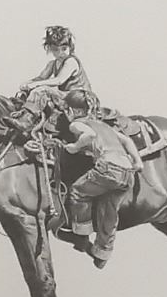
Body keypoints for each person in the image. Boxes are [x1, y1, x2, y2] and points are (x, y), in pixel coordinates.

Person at [58, 90, 143, 267]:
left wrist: (74, 147)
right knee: (109, 209)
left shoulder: (77, 124)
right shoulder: (105, 126)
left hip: (108, 169)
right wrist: (137, 161)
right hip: (127, 173)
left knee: (78, 191)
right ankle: (102, 253)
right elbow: (127, 141)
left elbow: (89, 135)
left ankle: (81, 235)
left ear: (73, 110)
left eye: (66, 110)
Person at [4, 25, 92, 139]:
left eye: (64, 49)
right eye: (55, 50)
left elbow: (59, 80)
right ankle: (25, 114)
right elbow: (41, 78)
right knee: (29, 92)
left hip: (78, 97)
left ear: (70, 47)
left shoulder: (71, 62)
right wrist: (28, 83)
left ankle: (28, 120)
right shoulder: (52, 64)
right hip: (66, 96)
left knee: (41, 90)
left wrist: (36, 85)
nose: (60, 53)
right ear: (49, 48)